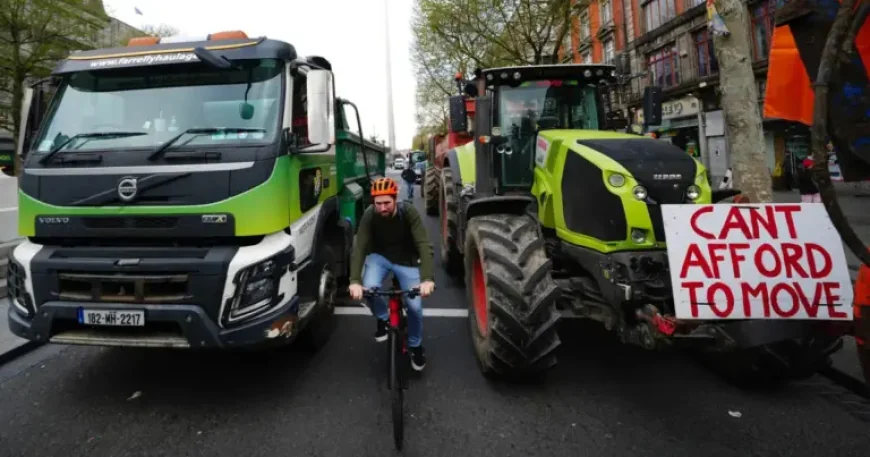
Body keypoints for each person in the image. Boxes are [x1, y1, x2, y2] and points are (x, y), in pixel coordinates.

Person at [349, 177, 435, 371]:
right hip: (379, 257)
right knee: (368, 290)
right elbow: (360, 247)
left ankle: (415, 346)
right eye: (378, 204)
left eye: (387, 203)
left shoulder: (409, 212)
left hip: (406, 261)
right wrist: (354, 281)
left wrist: (427, 278)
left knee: (414, 306)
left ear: (396, 199)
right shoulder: (370, 215)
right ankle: (383, 317)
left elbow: (423, 245)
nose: (382, 208)